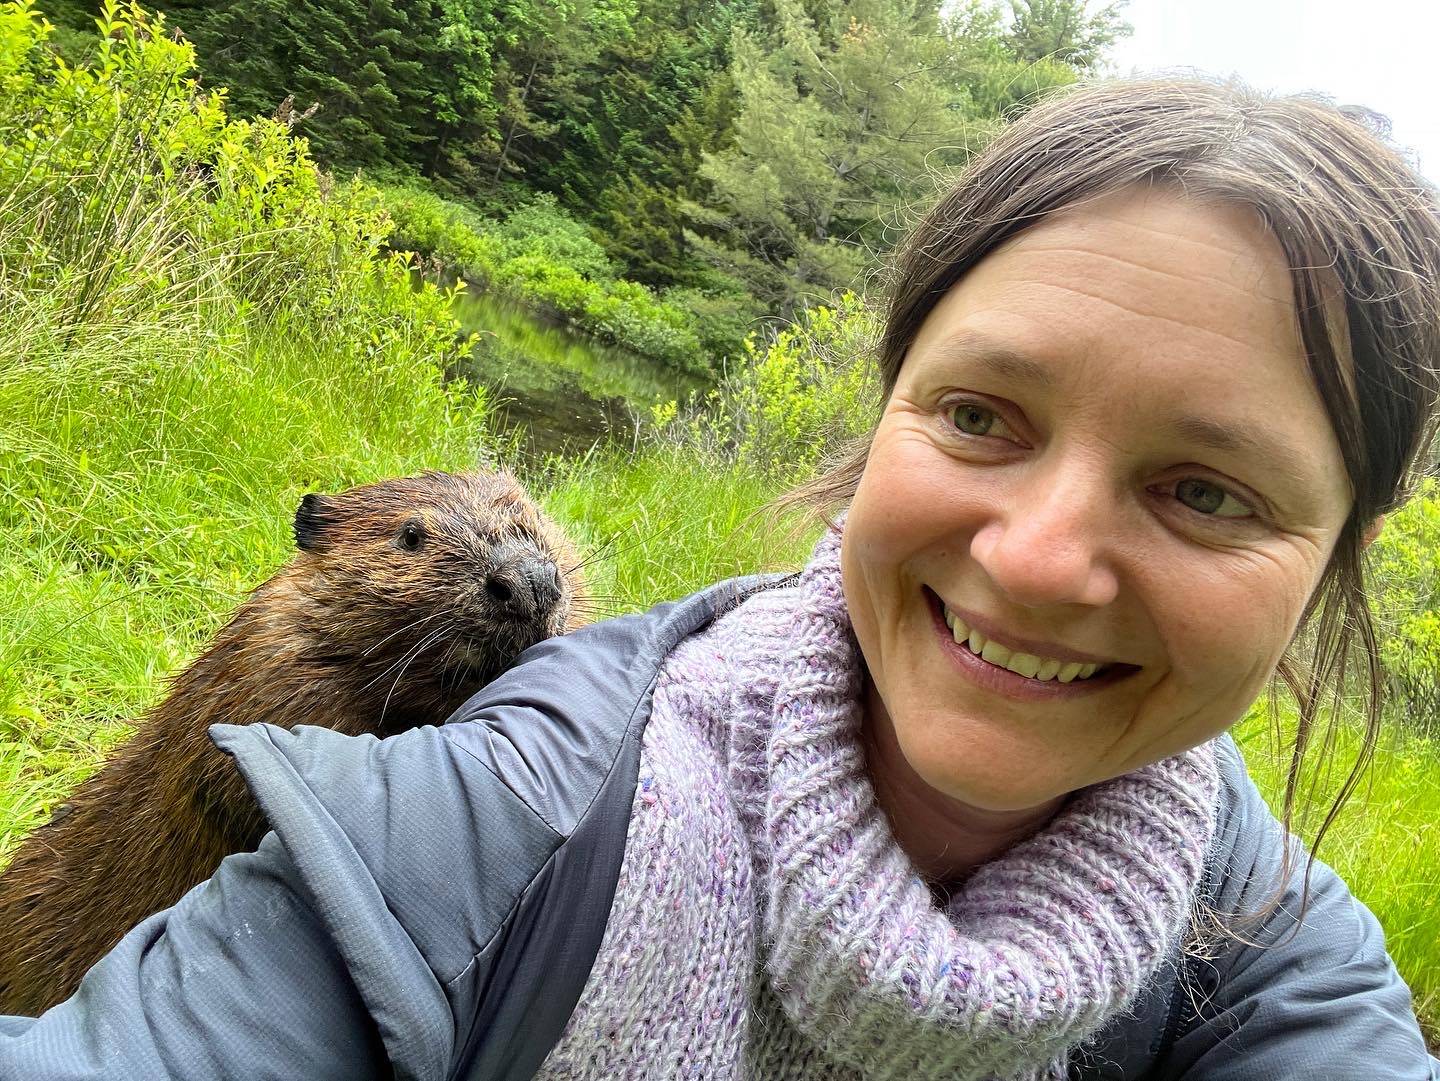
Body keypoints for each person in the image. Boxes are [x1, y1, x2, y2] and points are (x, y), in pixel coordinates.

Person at [2, 75, 1438, 1080]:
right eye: (983, 414)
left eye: (1207, 490)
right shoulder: (500, 818)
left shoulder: (1274, 946)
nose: (1041, 559)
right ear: (884, 410)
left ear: (1332, 567)